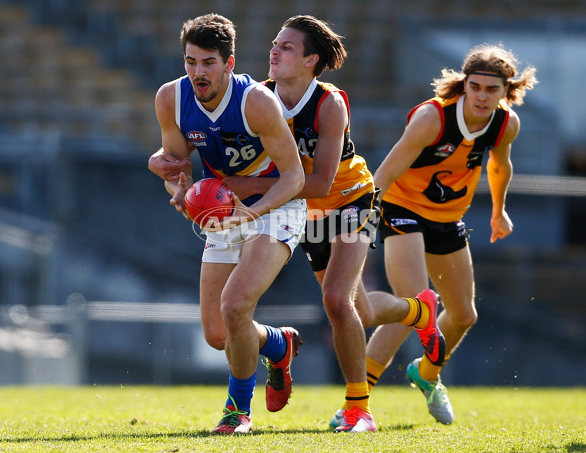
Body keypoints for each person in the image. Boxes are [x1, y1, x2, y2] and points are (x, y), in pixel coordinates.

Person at [151, 15, 446, 433]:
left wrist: (228, 186)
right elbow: (185, 167)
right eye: (274, 43)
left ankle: (357, 408)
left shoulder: (327, 103)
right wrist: (175, 180)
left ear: (310, 60)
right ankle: (418, 311)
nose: (274, 50)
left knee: (337, 303)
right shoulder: (258, 96)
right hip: (295, 205)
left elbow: (319, 181)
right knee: (348, 310)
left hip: (346, 200)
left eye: (286, 47)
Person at [354, 43, 538, 425]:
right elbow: (386, 172)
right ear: (464, 84)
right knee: (417, 305)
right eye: (476, 87)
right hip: (401, 209)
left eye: (493, 89)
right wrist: (362, 215)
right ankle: (356, 404)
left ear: (507, 90)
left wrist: (498, 210)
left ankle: (427, 375)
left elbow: (499, 167)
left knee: (464, 315)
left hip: (447, 218)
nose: (483, 96)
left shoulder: (506, 124)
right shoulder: (431, 118)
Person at [149, 14, 307, 435]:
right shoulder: (171, 99)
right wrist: (179, 193)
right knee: (219, 334)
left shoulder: (256, 101)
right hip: (225, 211)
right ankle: (278, 343)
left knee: (236, 305)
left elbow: (294, 177)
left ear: (229, 63)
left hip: (276, 206)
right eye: (190, 61)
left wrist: (252, 212)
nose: (198, 72)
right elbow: (179, 177)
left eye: (208, 63)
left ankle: (238, 411)